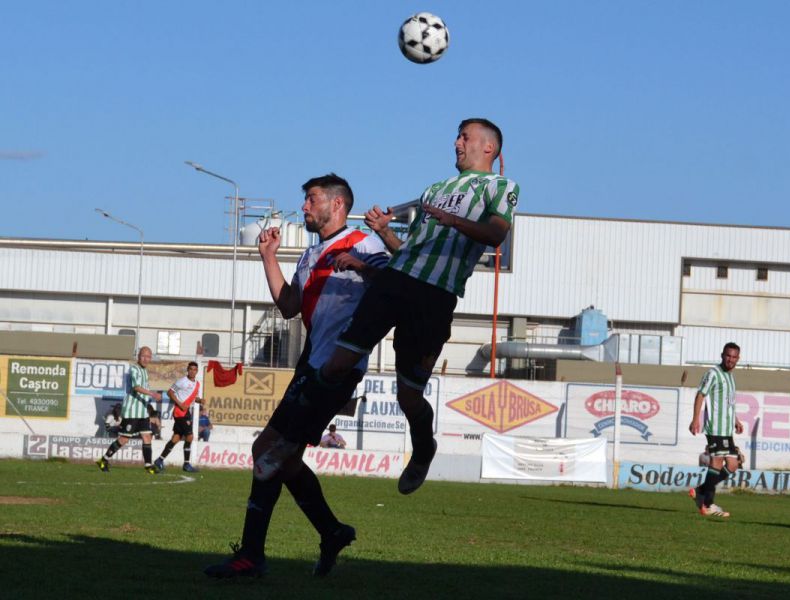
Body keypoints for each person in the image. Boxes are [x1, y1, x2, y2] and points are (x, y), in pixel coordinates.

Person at [255, 118, 518, 498]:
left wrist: (451, 219)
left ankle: (423, 448)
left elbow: (496, 234)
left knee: (408, 395)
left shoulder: (501, 187)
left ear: (489, 148)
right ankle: (289, 440)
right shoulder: (436, 189)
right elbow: (409, 252)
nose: (457, 142)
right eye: (458, 136)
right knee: (336, 363)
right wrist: (385, 232)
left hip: (435, 296)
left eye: (465, 137)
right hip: (397, 282)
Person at [205, 173, 389, 580]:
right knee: (279, 458)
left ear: (337, 204)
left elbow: (394, 287)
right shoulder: (310, 255)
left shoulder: (365, 243)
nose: (304, 207)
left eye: (311, 199)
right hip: (312, 365)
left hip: (336, 368)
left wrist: (361, 266)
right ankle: (332, 531)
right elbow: (289, 305)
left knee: (268, 453)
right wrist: (269, 257)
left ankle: (253, 556)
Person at [688, 342, 744, 518]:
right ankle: (708, 503)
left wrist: (736, 420)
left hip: (727, 430)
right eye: (728, 356)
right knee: (717, 463)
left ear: (738, 359)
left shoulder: (731, 377)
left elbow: (728, 403)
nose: (731, 360)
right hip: (715, 428)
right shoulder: (713, 374)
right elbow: (700, 395)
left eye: (734, 357)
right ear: (722, 355)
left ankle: (701, 491)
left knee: (734, 464)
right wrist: (695, 418)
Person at [96, 346, 163, 473]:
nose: (146, 359)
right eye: (143, 356)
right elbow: (137, 387)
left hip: (142, 412)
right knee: (124, 439)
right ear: (138, 356)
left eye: (148, 356)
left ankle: (148, 466)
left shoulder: (144, 371)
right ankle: (103, 460)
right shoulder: (134, 369)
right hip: (132, 411)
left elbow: (142, 390)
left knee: (147, 437)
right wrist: (153, 394)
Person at [152, 361, 203, 473]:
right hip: (180, 412)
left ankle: (159, 460)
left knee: (176, 438)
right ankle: (186, 464)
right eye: (190, 369)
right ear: (187, 370)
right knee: (189, 437)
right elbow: (170, 392)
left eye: (194, 369)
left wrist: (200, 400)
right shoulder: (182, 381)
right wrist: (179, 404)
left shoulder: (197, 384)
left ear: (197, 371)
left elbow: (194, 398)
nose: (192, 371)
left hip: (186, 412)